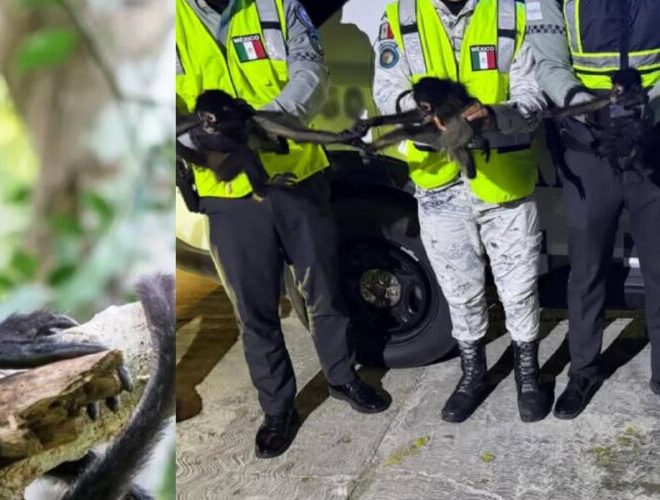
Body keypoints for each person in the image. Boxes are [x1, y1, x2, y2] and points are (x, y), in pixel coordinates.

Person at [175, 0, 389, 459]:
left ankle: (342, 376)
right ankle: (277, 408)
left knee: (323, 288)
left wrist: (259, 123)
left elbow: (312, 72)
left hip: (297, 177)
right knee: (254, 310)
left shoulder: (279, 5)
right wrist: (207, 139)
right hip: (226, 191)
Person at [373, 0, 549, 422]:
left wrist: (495, 115)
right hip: (438, 185)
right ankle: (473, 373)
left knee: (519, 285)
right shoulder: (400, 17)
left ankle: (528, 374)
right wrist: (422, 114)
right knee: (459, 287)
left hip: (503, 181)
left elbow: (535, 96)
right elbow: (385, 90)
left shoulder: (511, 12)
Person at [528, 0, 660, 419]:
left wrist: (648, 107)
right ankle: (582, 371)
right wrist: (587, 106)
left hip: (653, 141)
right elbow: (547, 61)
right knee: (586, 269)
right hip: (588, 147)